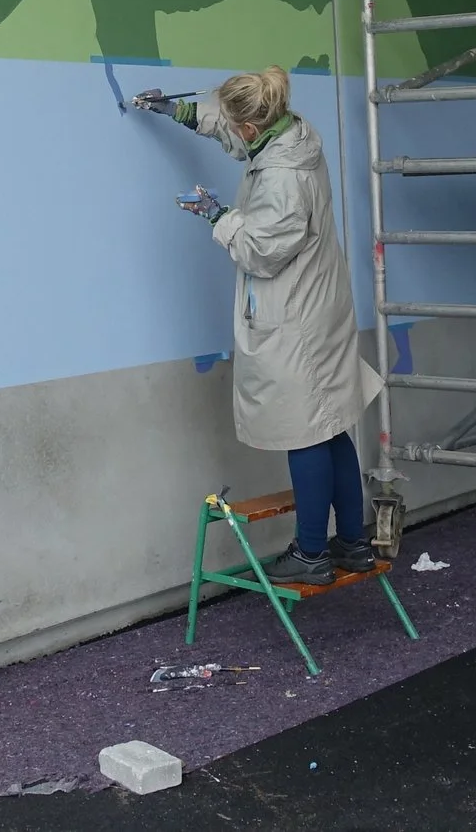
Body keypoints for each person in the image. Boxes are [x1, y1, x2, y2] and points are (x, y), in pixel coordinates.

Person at [134, 68, 382, 584]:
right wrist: (179, 112)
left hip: (296, 318)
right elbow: (235, 130)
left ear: (250, 126)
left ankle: (311, 554)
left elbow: (260, 252)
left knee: (305, 430)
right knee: (330, 422)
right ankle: (353, 544)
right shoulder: (289, 134)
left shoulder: (283, 178)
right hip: (319, 304)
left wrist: (216, 215)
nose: (230, 130)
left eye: (233, 123)